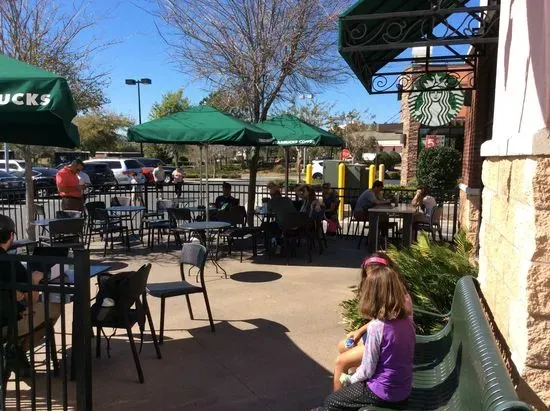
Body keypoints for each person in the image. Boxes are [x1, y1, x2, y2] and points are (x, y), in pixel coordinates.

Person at [322, 258, 415, 410]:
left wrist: (350, 380)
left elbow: (367, 370)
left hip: (383, 392)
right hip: (403, 389)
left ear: (372, 294)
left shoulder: (377, 327)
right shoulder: (406, 320)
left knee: (331, 401)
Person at [0, 215, 61, 376]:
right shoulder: (11, 263)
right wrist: (34, 280)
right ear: (11, 236)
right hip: (7, 325)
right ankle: (15, 350)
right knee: (55, 307)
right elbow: (32, 300)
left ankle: (14, 349)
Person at [265, 181, 296, 255]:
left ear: (272, 195)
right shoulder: (287, 199)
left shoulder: (271, 202)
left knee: (267, 226)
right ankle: (281, 245)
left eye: (270, 194)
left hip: (282, 225)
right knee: (277, 225)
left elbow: (269, 211)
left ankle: (270, 247)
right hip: (294, 224)